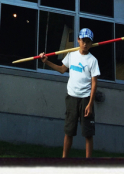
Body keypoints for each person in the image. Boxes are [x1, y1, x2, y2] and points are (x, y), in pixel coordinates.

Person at [39, 28, 100, 158]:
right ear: (78, 40)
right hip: (72, 98)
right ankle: (64, 159)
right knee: (69, 131)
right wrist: (47, 61)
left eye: (88, 42)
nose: (85, 44)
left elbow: (94, 83)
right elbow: (62, 69)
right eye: (83, 40)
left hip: (85, 99)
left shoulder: (92, 60)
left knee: (88, 133)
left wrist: (90, 103)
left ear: (91, 43)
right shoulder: (71, 55)